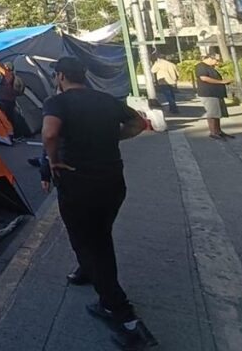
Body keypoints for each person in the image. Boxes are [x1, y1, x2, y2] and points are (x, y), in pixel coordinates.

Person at [42, 57, 151, 349]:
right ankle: (87, 270)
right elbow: (138, 124)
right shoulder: (106, 99)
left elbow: (50, 133)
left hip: (79, 183)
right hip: (113, 181)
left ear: (61, 76)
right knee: (98, 235)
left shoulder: (57, 102)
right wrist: (110, 137)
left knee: (92, 243)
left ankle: (125, 318)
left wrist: (53, 162)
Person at [195, 52, 233, 139]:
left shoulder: (210, 67)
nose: (217, 62)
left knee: (217, 113)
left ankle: (218, 131)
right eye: (216, 60)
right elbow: (204, 78)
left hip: (216, 93)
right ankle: (213, 132)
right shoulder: (201, 66)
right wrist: (221, 82)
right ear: (210, 58)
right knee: (212, 113)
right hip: (209, 93)